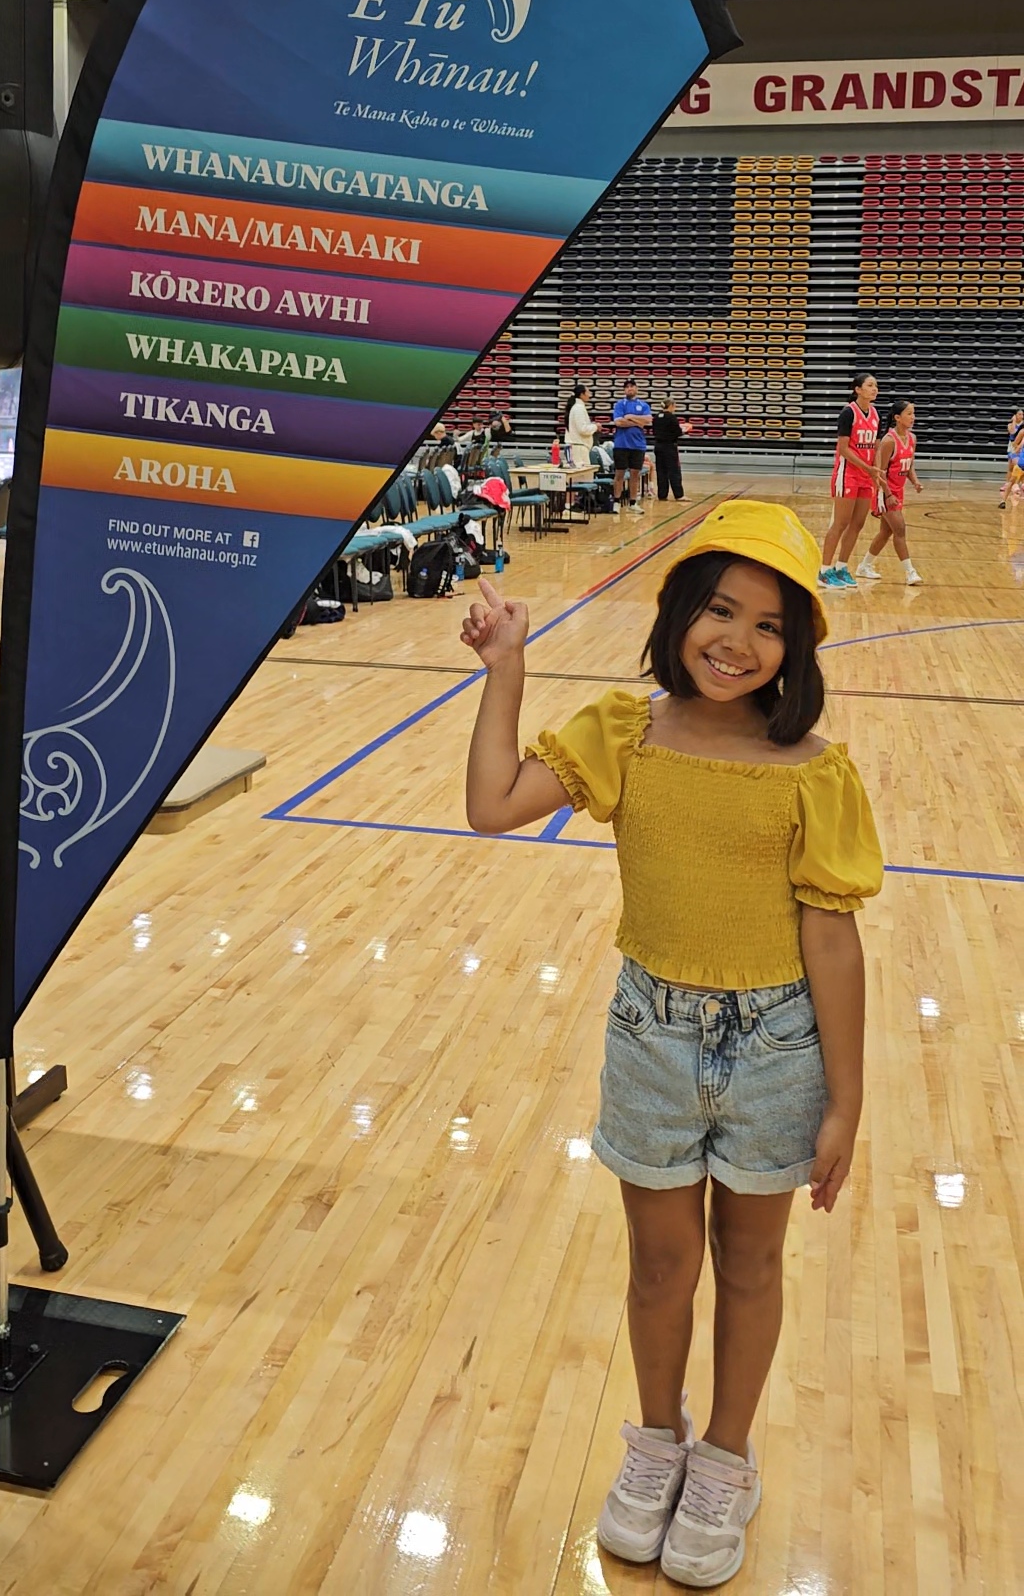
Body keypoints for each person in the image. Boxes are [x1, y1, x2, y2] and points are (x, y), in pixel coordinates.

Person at [462, 501, 881, 1586]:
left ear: (800, 651)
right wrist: (507, 667)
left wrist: (846, 1100)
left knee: (751, 1264)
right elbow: (495, 804)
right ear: (679, 611)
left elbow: (832, 942)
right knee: (660, 1268)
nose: (738, 641)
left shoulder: (815, 770)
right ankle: (656, 1444)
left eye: (772, 626)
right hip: (651, 1035)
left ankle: (727, 1459)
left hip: (779, 1044)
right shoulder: (624, 732)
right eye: (720, 610)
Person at [818, 372, 883, 591]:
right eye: (870, 385)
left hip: (865, 475)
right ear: (858, 389)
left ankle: (841, 567)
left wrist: (875, 471)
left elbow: (874, 446)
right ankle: (824, 570)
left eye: (876, 386)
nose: (874, 389)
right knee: (841, 522)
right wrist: (867, 467)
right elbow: (843, 449)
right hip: (847, 475)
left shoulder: (875, 414)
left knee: (858, 524)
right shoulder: (848, 413)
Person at [856, 399, 922, 585]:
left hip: (898, 491)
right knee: (900, 529)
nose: (913, 417)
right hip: (884, 491)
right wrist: (887, 494)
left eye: (913, 413)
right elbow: (880, 472)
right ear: (897, 418)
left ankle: (864, 566)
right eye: (909, 413)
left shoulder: (912, 438)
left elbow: (908, 466)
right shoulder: (888, 441)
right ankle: (910, 572)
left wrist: (915, 482)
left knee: (886, 532)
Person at [612, 377, 652, 515]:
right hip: (621, 444)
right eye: (627, 386)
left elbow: (648, 420)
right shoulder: (619, 404)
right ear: (624, 390)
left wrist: (629, 416)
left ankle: (633, 503)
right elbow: (618, 422)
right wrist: (637, 421)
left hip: (638, 445)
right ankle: (616, 502)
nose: (630, 388)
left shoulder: (644, 405)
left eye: (632, 386)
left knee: (635, 474)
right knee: (619, 474)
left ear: (636, 388)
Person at [652, 400, 686, 500]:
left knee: (661, 471)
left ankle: (662, 495)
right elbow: (678, 432)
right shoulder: (671, 417)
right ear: (671, 406)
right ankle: (679, 495)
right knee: (674, 471)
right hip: (669, 447)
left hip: (658, 446)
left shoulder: (656, 417)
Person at [564, 384, 598, 468]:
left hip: (578, 447)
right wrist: (595, 426)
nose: (589, 395)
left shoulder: (577, 407)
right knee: (583, 478)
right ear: (582, 394)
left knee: (583, 477)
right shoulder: (578, 408)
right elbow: (582, 429)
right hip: (578, 449)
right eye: (588, 392)